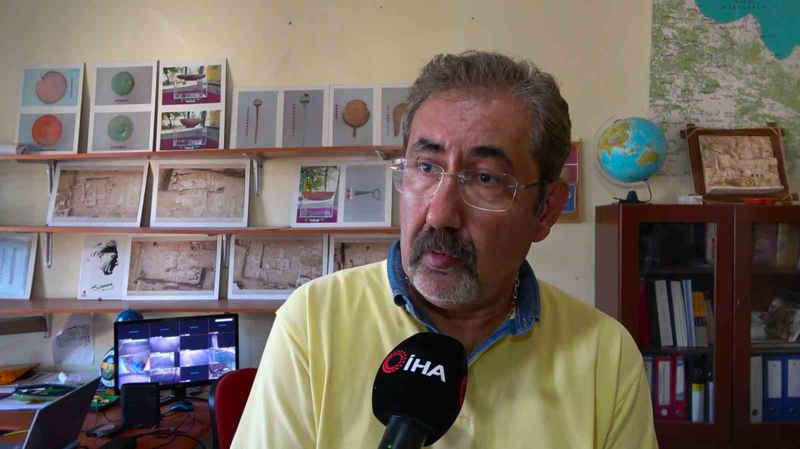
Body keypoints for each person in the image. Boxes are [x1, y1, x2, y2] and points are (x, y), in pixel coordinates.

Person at [232, 51, 658, 448]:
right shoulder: (313, 321)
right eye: (426, 167)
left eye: (486, 178)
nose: (439, 214)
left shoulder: (606, 355)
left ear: (545, 209)